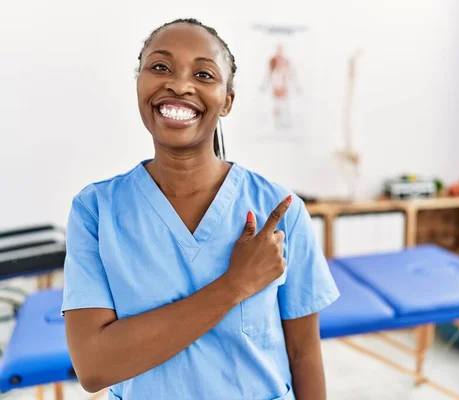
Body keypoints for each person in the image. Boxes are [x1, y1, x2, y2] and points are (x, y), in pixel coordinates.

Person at [61, 18, 339, 400]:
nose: (179, 84)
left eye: (204, 74)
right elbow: (93, 367)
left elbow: (303, 353)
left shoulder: (279, 210)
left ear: (227, 101)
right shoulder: (96, 211)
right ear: (139, 84)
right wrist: (234, 285)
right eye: (160, 67)